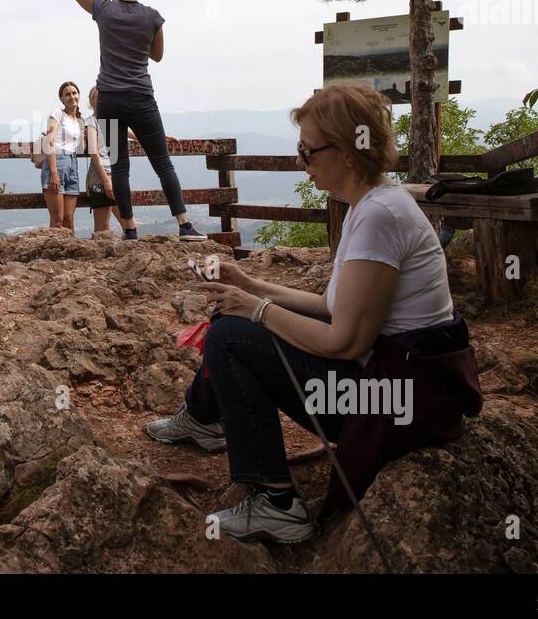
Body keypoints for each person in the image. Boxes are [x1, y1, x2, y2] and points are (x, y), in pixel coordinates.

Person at [144, 82, 482, 544]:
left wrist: (257, 309)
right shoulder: (373, 203)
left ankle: (276, 503)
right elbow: (331, 306)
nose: (301, 162)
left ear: (345, 152)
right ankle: (203, 418)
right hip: (400, 387)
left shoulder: (379, 216)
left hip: (393, 406)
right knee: (233, 319)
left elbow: (344, 341)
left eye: (307, 151)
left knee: (229, 335)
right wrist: (249, 286)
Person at [70, 0, 206, 241]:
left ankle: (130, 229)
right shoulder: (153, 17)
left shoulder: (105, 9)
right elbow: (157, 56)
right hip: (141, 97)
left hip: (109, 98)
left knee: (119, 166)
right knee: (163, 163)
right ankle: (184, 225)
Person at [83, 85, 134, 237]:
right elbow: (93, 151)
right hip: (101, 176)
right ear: (90, 102)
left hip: (117, 174)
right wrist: (106, 180)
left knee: (128, 221)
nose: (98, 99)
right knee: (102, 228)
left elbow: (139, 135)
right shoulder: (92, 121)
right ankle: (99, 260)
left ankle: (128, 254)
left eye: (102, 96)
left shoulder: (115, 121)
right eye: (95, 97)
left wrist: (163, 137)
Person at [41, 81, 86, 232]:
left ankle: (70, 253)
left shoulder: (80, 120)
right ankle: (53, 254)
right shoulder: (57, 114)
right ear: (61, 99)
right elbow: (49, 141)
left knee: (69, 219)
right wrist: (54, 173)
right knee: (57, 219)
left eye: (74, 93)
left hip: (72, 165)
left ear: (78, 95)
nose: (72, 96)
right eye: (67, 94)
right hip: (57, 164)